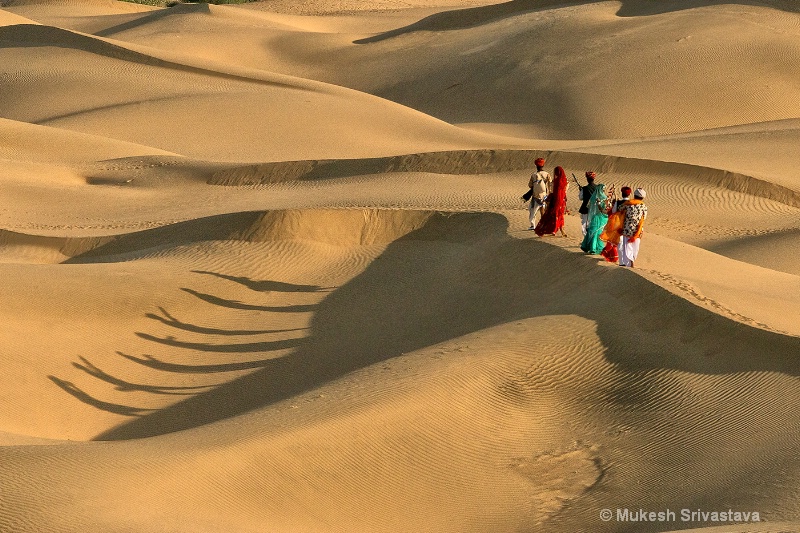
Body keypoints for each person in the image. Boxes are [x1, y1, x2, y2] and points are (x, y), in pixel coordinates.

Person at [534, 166, 569, 237]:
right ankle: (561, 230)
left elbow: (551, 191)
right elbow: (565, 192)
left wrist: (548, 200)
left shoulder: (554, 182)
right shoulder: (566, 182)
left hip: (555, 200)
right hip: (562, 201)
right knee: (560, 215)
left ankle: (553, 230)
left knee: (552, 215)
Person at [600, 185, 630, 263]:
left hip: (618, 225)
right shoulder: (632, 203)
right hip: (629, 226)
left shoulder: (618, 202)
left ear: (622, 193)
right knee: (627, 244)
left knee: (619, 243)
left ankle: (621, 262)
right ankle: (626, 261)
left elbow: (613, 212)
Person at [618, 188, 648, 267]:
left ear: (634, 195)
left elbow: (619, 210)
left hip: (627, 230)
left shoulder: (627, 204)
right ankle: (632, 260)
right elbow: (644, 218)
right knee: (635, 247)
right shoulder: (644, 206)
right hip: (638, 231)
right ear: (643, 198)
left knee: (627, 247)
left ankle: (629, 262)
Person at [580, 183, 610, 254]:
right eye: (603, 189)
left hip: (594, 217)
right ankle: (593, 248)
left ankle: (588, 246)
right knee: (597, 232)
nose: (604, 191)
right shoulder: (603, 197)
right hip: (600, 217)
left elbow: (589, 207)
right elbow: (604, 208)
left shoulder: (593, 197)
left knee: (593, 231)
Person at [525, 158, 551, 230]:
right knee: (543, 210)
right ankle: (544, 225)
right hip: (545, 196)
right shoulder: (547, 174)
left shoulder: (534, 175)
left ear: (536, 166)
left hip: (536, 196)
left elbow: (530, 185)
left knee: (532, 210)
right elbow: (550, 185)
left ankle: (533, 225)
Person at [577, 171, 597, 236]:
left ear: (587, 179)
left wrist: (581, 191)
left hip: (586, 209)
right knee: (593, 225)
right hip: (595, 209)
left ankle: (586, 241)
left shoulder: (584, 188)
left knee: (585, 225)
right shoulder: (598, 188)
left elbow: (580, 198)